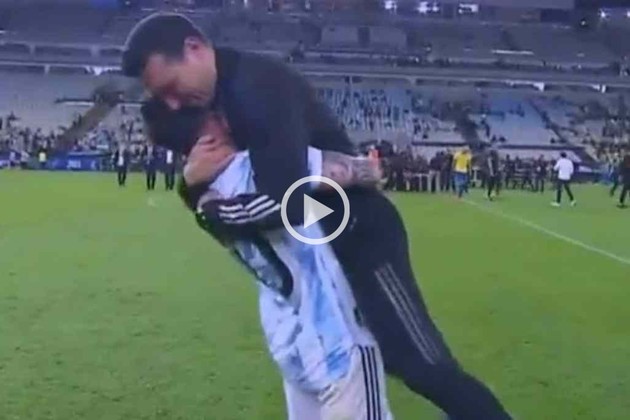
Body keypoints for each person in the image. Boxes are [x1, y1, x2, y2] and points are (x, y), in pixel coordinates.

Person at [127, 14, 512, 419]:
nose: (172, 103)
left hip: (358, 233)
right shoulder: (214, 98)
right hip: (313, 242)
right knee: (354, 362)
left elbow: (292, 203)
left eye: (171, 88)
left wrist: (204, 204)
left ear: (194, 49)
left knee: (420, 364)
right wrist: (195, 190)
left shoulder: (259, 88)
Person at [187, 113, 393, 419]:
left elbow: (293, 213)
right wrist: (367, 169)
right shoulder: (264, 164)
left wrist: (189, 183)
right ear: (208, 140)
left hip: (287, 336)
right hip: (337, 336)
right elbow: (354, 173)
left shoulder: (208, 199)